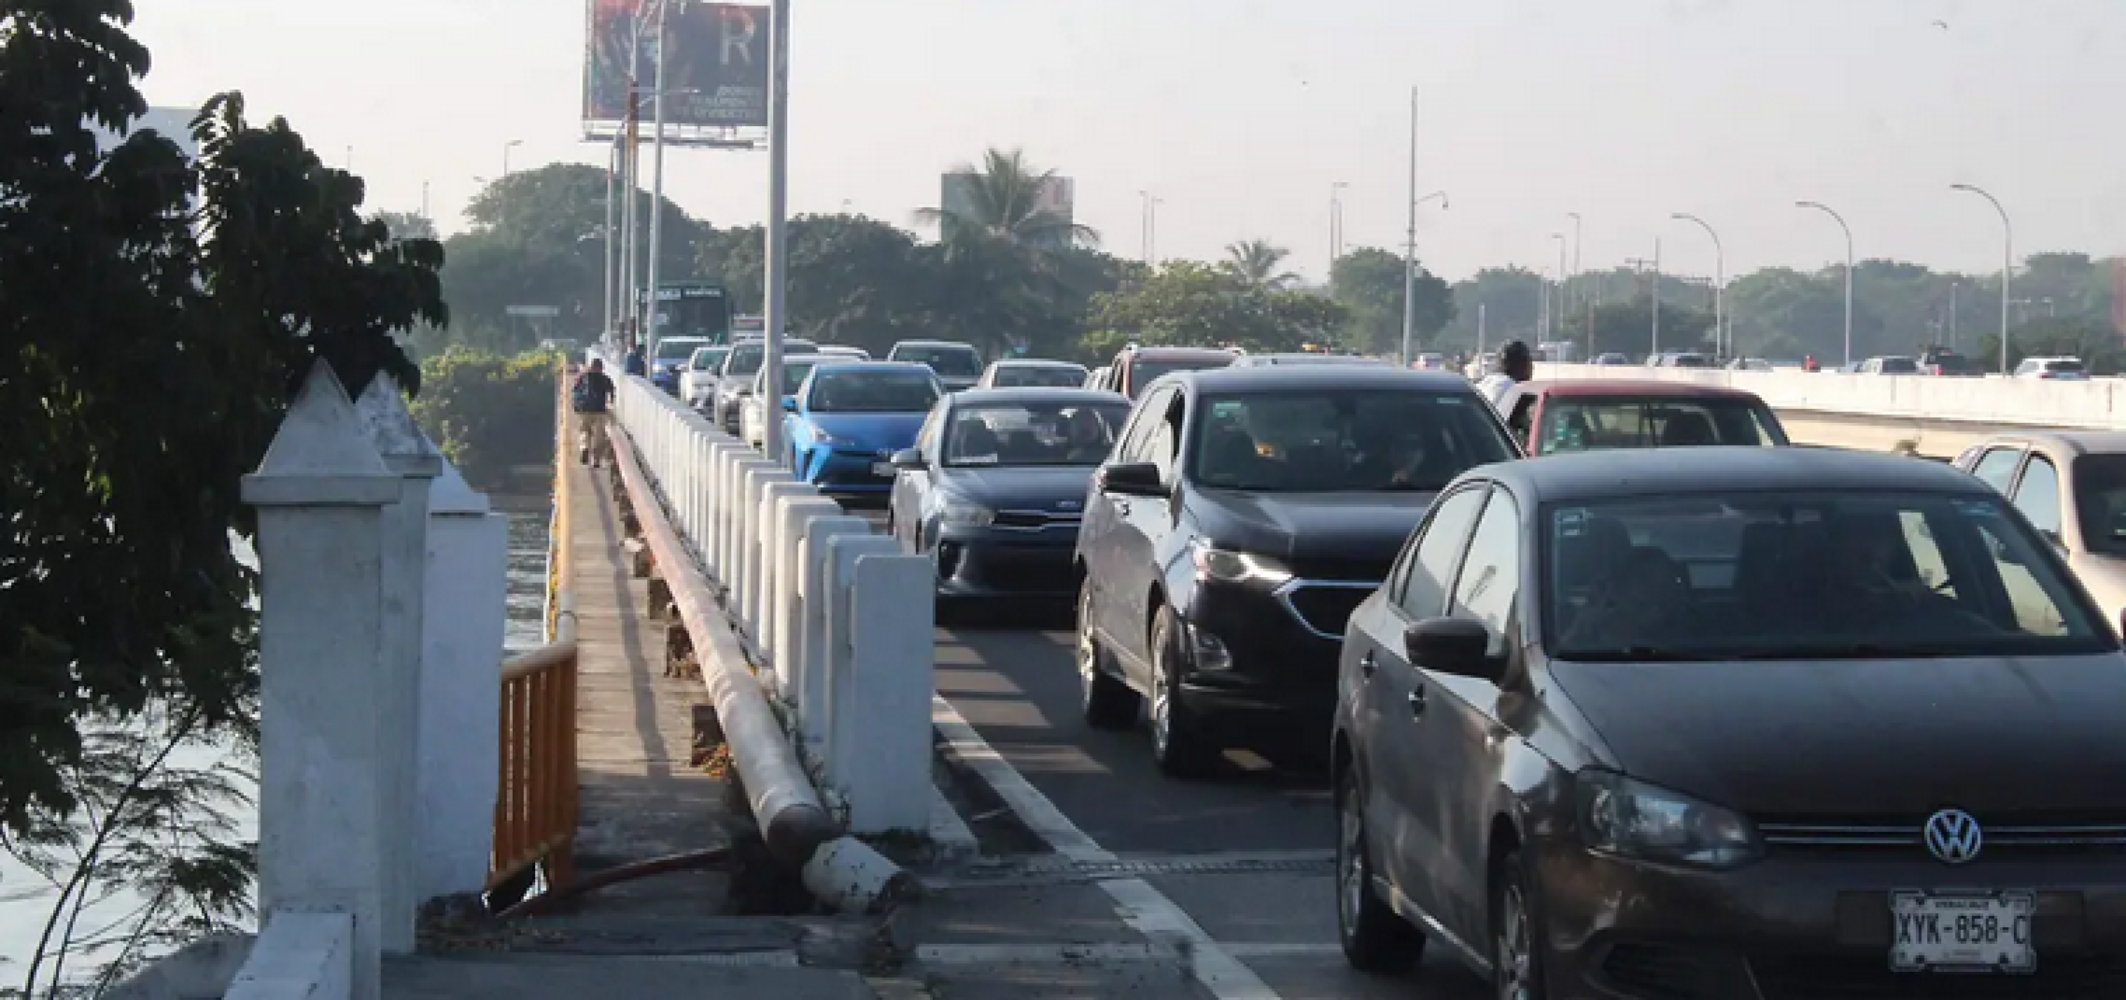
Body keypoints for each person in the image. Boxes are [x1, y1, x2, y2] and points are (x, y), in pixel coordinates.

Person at [572, 359, 617, 468]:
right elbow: (612, 394)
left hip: (585, 409)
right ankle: (596, 460)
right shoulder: (606, 379)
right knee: (599, 436)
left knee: (584, 431)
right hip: (600, 411)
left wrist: (576, 405)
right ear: (601, 368)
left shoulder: (583, 377)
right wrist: (610, 404)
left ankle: (584, 448)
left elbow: (575, 390)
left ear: (591, 367)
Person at [1476, 340, 1533, 412]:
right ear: (1521, 364)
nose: (1531, 367)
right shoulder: (1515, 390)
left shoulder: (1484, 383)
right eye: (1529, 362)